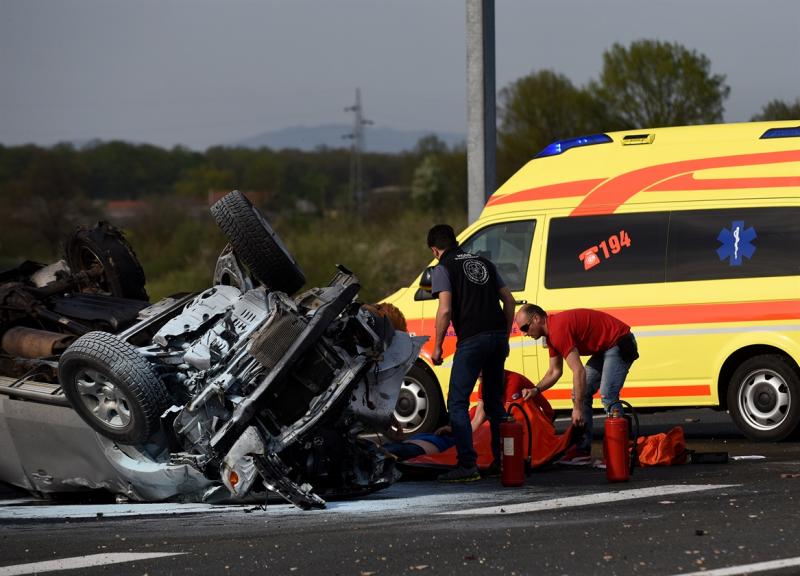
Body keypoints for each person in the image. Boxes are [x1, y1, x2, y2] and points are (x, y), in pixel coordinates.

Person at [426, 224, 516, 482]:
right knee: (494, 402)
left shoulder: (443, 267)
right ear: (455, 241)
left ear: (435, 250)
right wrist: (505, 336)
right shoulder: (484, 262)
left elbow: (444, 310)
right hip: (498, 336)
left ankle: (467, 465)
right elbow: (509, 301)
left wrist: (438, 346)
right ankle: (504, 462)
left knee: (456, 403)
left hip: (473, 338)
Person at [515, 304, 639, 464]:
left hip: (619, 342)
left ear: (537, 319)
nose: (524, 334)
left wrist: (577, 408)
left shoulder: (557, 330)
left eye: (525, 327)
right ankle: (582, 450)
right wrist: (536, 390)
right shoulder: (551, 334)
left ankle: (622, 452)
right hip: (605, 348)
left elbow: (578, 371)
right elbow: (554, 371)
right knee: (580, 393)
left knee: (608, 395)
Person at [383, 371, 535, 465]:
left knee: (424, 447)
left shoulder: (512, 383)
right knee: (423, 440)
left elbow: (491, 420)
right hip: (468, 436)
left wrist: (461, 435)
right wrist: (456, 431)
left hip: (472, 438)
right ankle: (379, 452)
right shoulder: (488, 386)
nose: (479, 378)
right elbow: (477, 419)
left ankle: (379, 452)